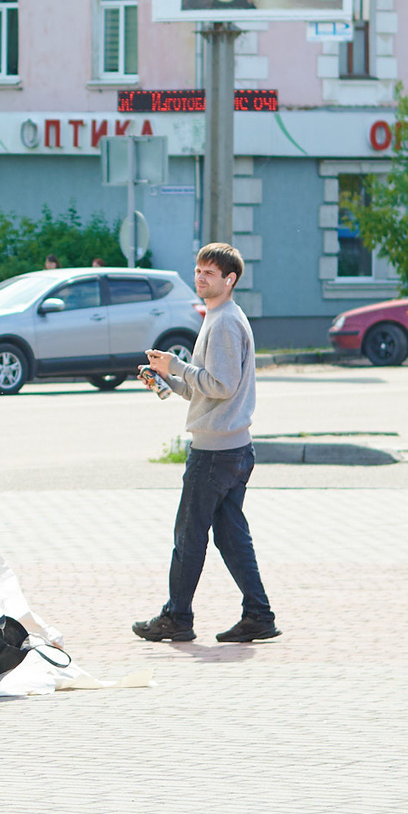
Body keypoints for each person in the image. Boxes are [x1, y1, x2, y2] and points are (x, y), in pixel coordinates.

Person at [132, 242, 280, 645]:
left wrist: (177, 366)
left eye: (209, 273)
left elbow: (221, 385)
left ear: (229, 280)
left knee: (189, 536)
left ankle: (176, 617)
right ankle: (259, 615)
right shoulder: (217, 318)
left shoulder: (226, 322)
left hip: (216, 454)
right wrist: (168, 379)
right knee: (230, 536)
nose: (200, 277)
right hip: (230, 447)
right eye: (198, 270)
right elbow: (208, 390)